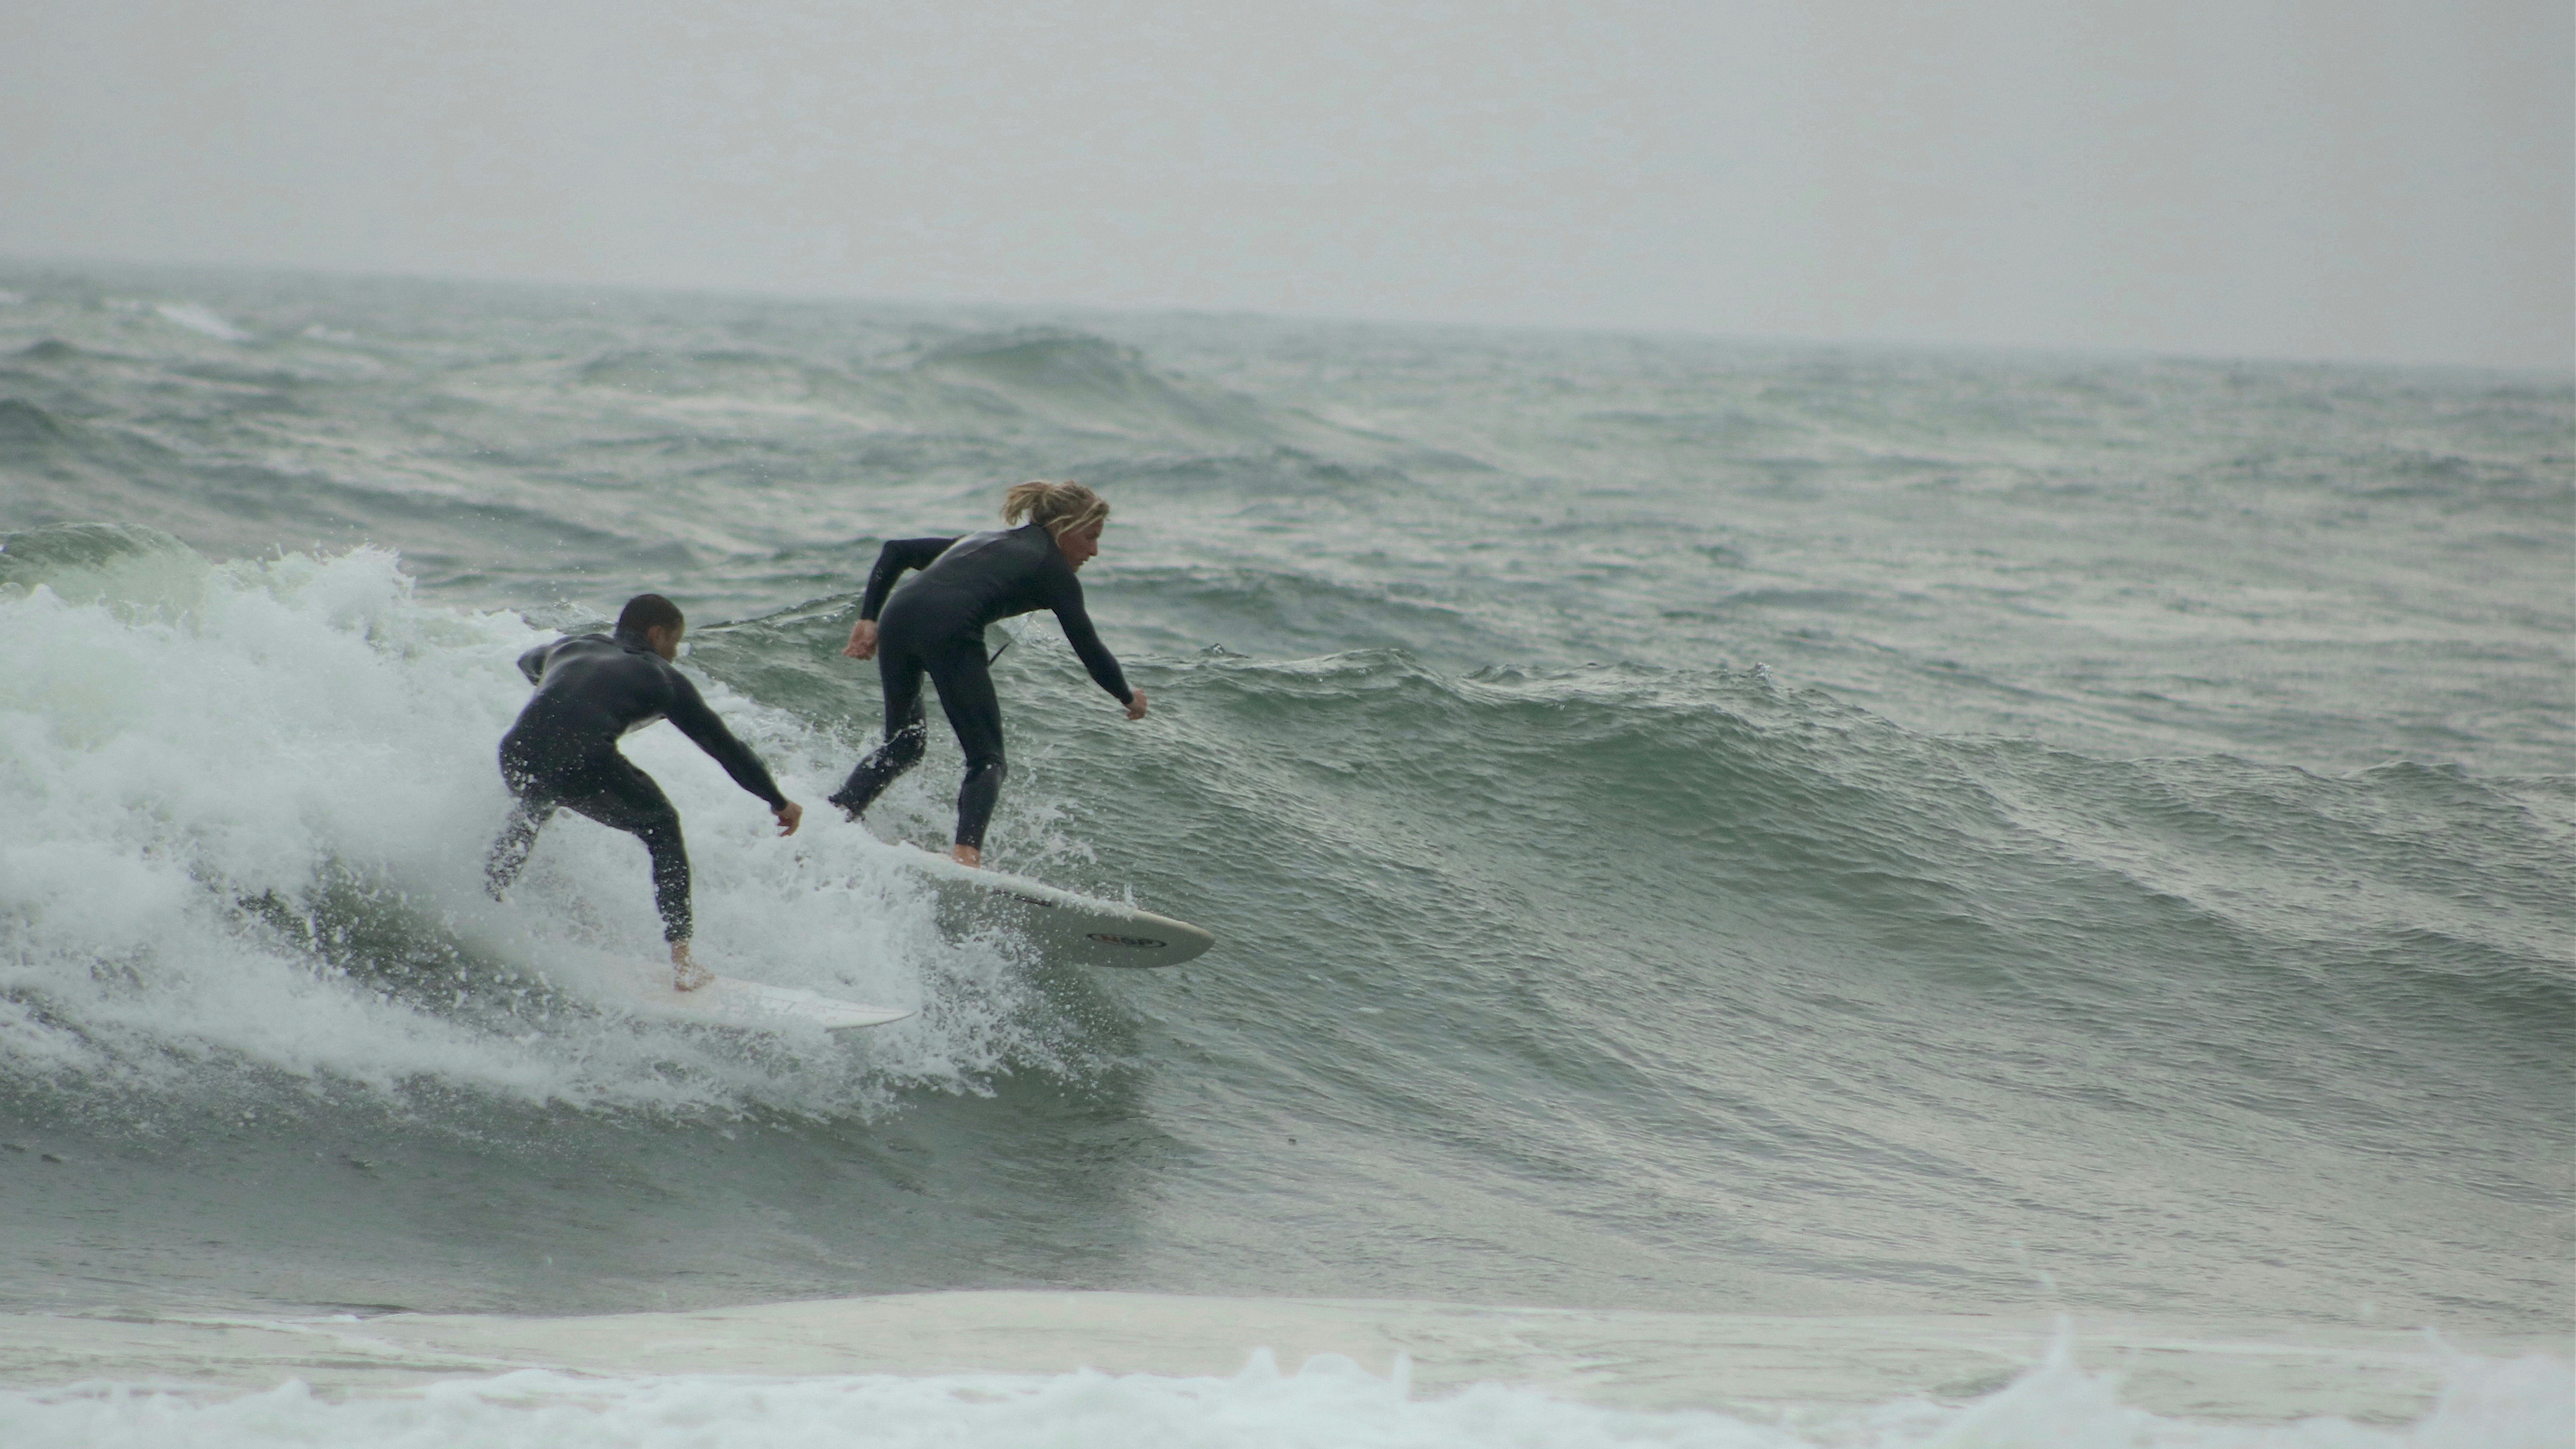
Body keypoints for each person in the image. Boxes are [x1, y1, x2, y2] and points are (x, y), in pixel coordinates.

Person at [486, 593, 804, 990]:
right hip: (582, 758)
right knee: (663, 826)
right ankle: (684, 964)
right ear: (657, 635)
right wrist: (778, 801)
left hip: (516, 751)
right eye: (675, 642)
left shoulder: (570, 646)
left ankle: (488, 899)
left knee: (537, 803)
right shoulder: (660, 678)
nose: (675, 654)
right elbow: (725, 748)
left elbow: (527, 663)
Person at [832, 480, 1147, 867]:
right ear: (1063, 527)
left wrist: (869, 618)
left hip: (898, 618)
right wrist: (1127, 696)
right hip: (950, 627)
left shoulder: (981, 540)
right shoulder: (1053, 571)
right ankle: (966, 858)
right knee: (987, 760)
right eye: (1091, 537)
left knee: (905, 745)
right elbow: (1089, 647)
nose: (1094, 551)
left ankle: (836, 816)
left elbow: (896, 551)